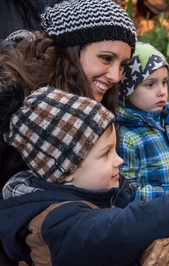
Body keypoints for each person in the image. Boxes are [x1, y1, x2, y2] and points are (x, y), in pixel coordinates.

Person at [0, 85, 169, 266]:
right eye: (105, 154)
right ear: (64, 170)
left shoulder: (85, 195)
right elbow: (127, 227)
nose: (119, 160)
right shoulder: (52, 224)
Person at [0, 0, 136, 187]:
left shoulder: (98, 103)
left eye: (122, 65)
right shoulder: (18, 110)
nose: (116, 76)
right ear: (70, 52)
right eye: (106, 58)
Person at [117, 41, 169, 202]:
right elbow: (127, 194)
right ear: (126, 88)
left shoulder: (166, 122)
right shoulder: (126, 138)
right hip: (157, 219)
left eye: (164, 82)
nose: (162, 92)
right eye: (150, 84)